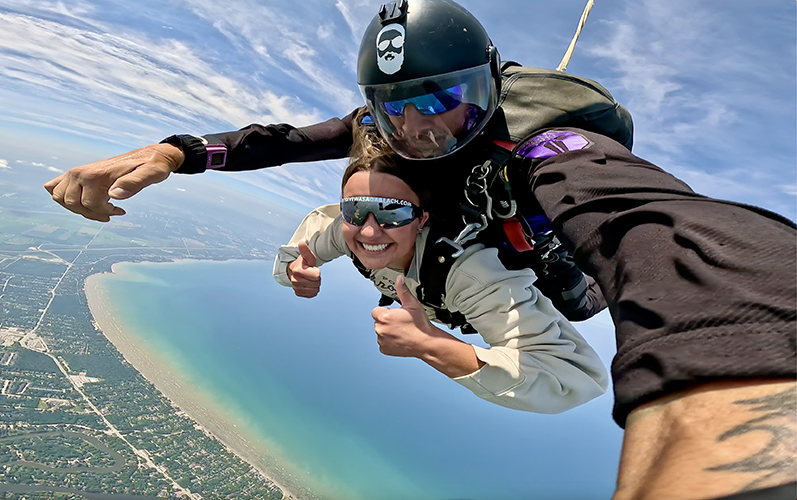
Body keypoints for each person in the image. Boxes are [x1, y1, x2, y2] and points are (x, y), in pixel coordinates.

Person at [44, 0, 796, 498]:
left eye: (442, 100)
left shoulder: (537, 160)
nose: (419, 129)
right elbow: (289, 154)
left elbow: (642, 218)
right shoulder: (369, 186)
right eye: (394, 109)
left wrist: (726, 361)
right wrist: (178, 155)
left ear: (489, 84)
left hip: (515, 263)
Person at [273, 119, 608, 413]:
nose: (370, 231)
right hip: (446, 302)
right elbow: (297, 251)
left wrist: (430, 344)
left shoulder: (469, 274)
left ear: (422, 220)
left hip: (540, 285)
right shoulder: (344, 232)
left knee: (579, 305)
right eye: (355, 209)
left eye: (393, 212)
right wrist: (294, 272)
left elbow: (576, 377)